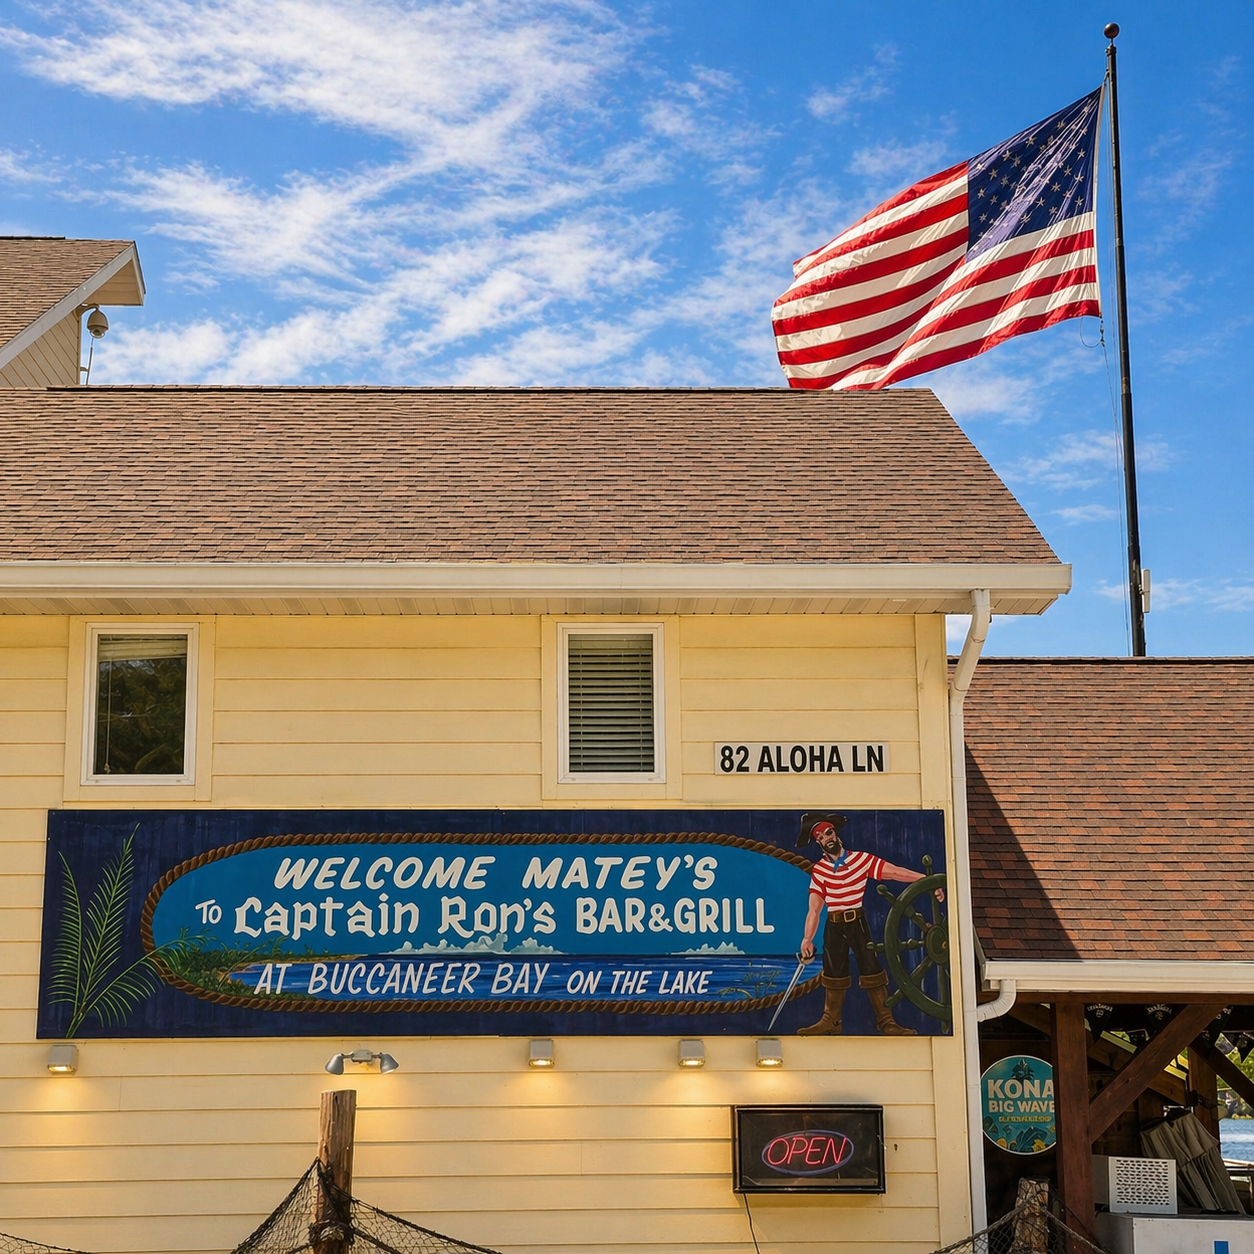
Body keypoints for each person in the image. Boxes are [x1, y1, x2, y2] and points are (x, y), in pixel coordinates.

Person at [795, 812, 942, 1036]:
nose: (827, 838)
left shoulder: (861, 860)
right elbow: (814, 908)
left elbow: (894, 872)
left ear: (836, 834)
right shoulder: (820, 871)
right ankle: (830, 1021)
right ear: (818, 842)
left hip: (858, 922)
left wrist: (926, 881)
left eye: (829, 832)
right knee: (833, 972)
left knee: (871, 969)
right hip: (834, 925)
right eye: (822, 836)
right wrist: (807, 938)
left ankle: (886, 1021)